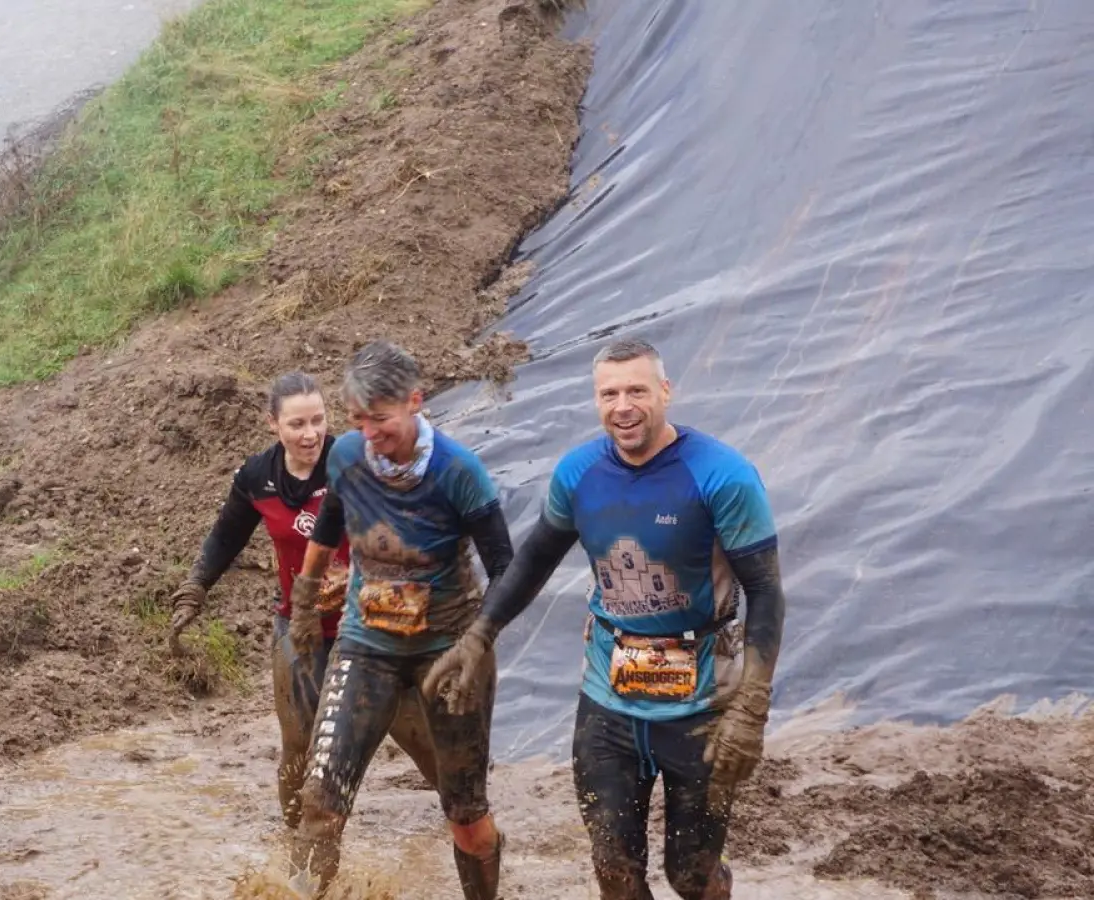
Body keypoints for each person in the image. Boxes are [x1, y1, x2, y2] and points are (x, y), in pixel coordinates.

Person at [425, 337, 786, 900]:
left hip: (701, 703)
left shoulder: (722, 476)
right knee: (615, 873)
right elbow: (536, 558)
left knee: (690, 877)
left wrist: (752, 706)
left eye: (637, 390)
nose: (624, 406)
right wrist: (480, 634)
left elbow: (765, 590)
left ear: (666, 391)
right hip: (609, 699)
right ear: (596, 401)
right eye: (609, 393)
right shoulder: (579, 473)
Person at [285, 340, 513, 900]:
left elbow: (507, 570)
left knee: (464, 812)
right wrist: (306, 598)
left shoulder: (460, 472)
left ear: (415, 402)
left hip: (450, 649)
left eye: (380, 419)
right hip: (368, 643)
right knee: (320, 797)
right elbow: (330, 525)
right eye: (357, 419)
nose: (369, 433)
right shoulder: (345, 457)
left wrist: (478, 642)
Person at [168, 372, 440, 830]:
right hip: (300, 624)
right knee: (299, 740)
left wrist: (357, 573)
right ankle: (298, 838)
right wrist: (196, 586)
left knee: (413, 729)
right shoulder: (256, 477)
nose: (310, 434)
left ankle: (464, 812)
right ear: (272, 424)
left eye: (318, 420)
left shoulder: (355, 462)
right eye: (296, 424)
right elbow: (226, 537)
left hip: (374, 619)